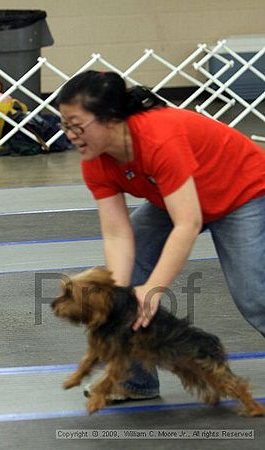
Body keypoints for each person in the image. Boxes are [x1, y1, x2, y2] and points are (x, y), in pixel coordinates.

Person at [57, 70, 265, 401]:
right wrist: (119, 298)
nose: (70, 135)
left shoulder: (158, 138)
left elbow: (188, 223)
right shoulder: (94, 159)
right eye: (64, 125)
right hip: (177, 198)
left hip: (242, 191)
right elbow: (117, 235)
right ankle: (135, 380)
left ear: (110, 118)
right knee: (126, 282)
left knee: (255, 294)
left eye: (76, 125)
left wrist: (152, 290)